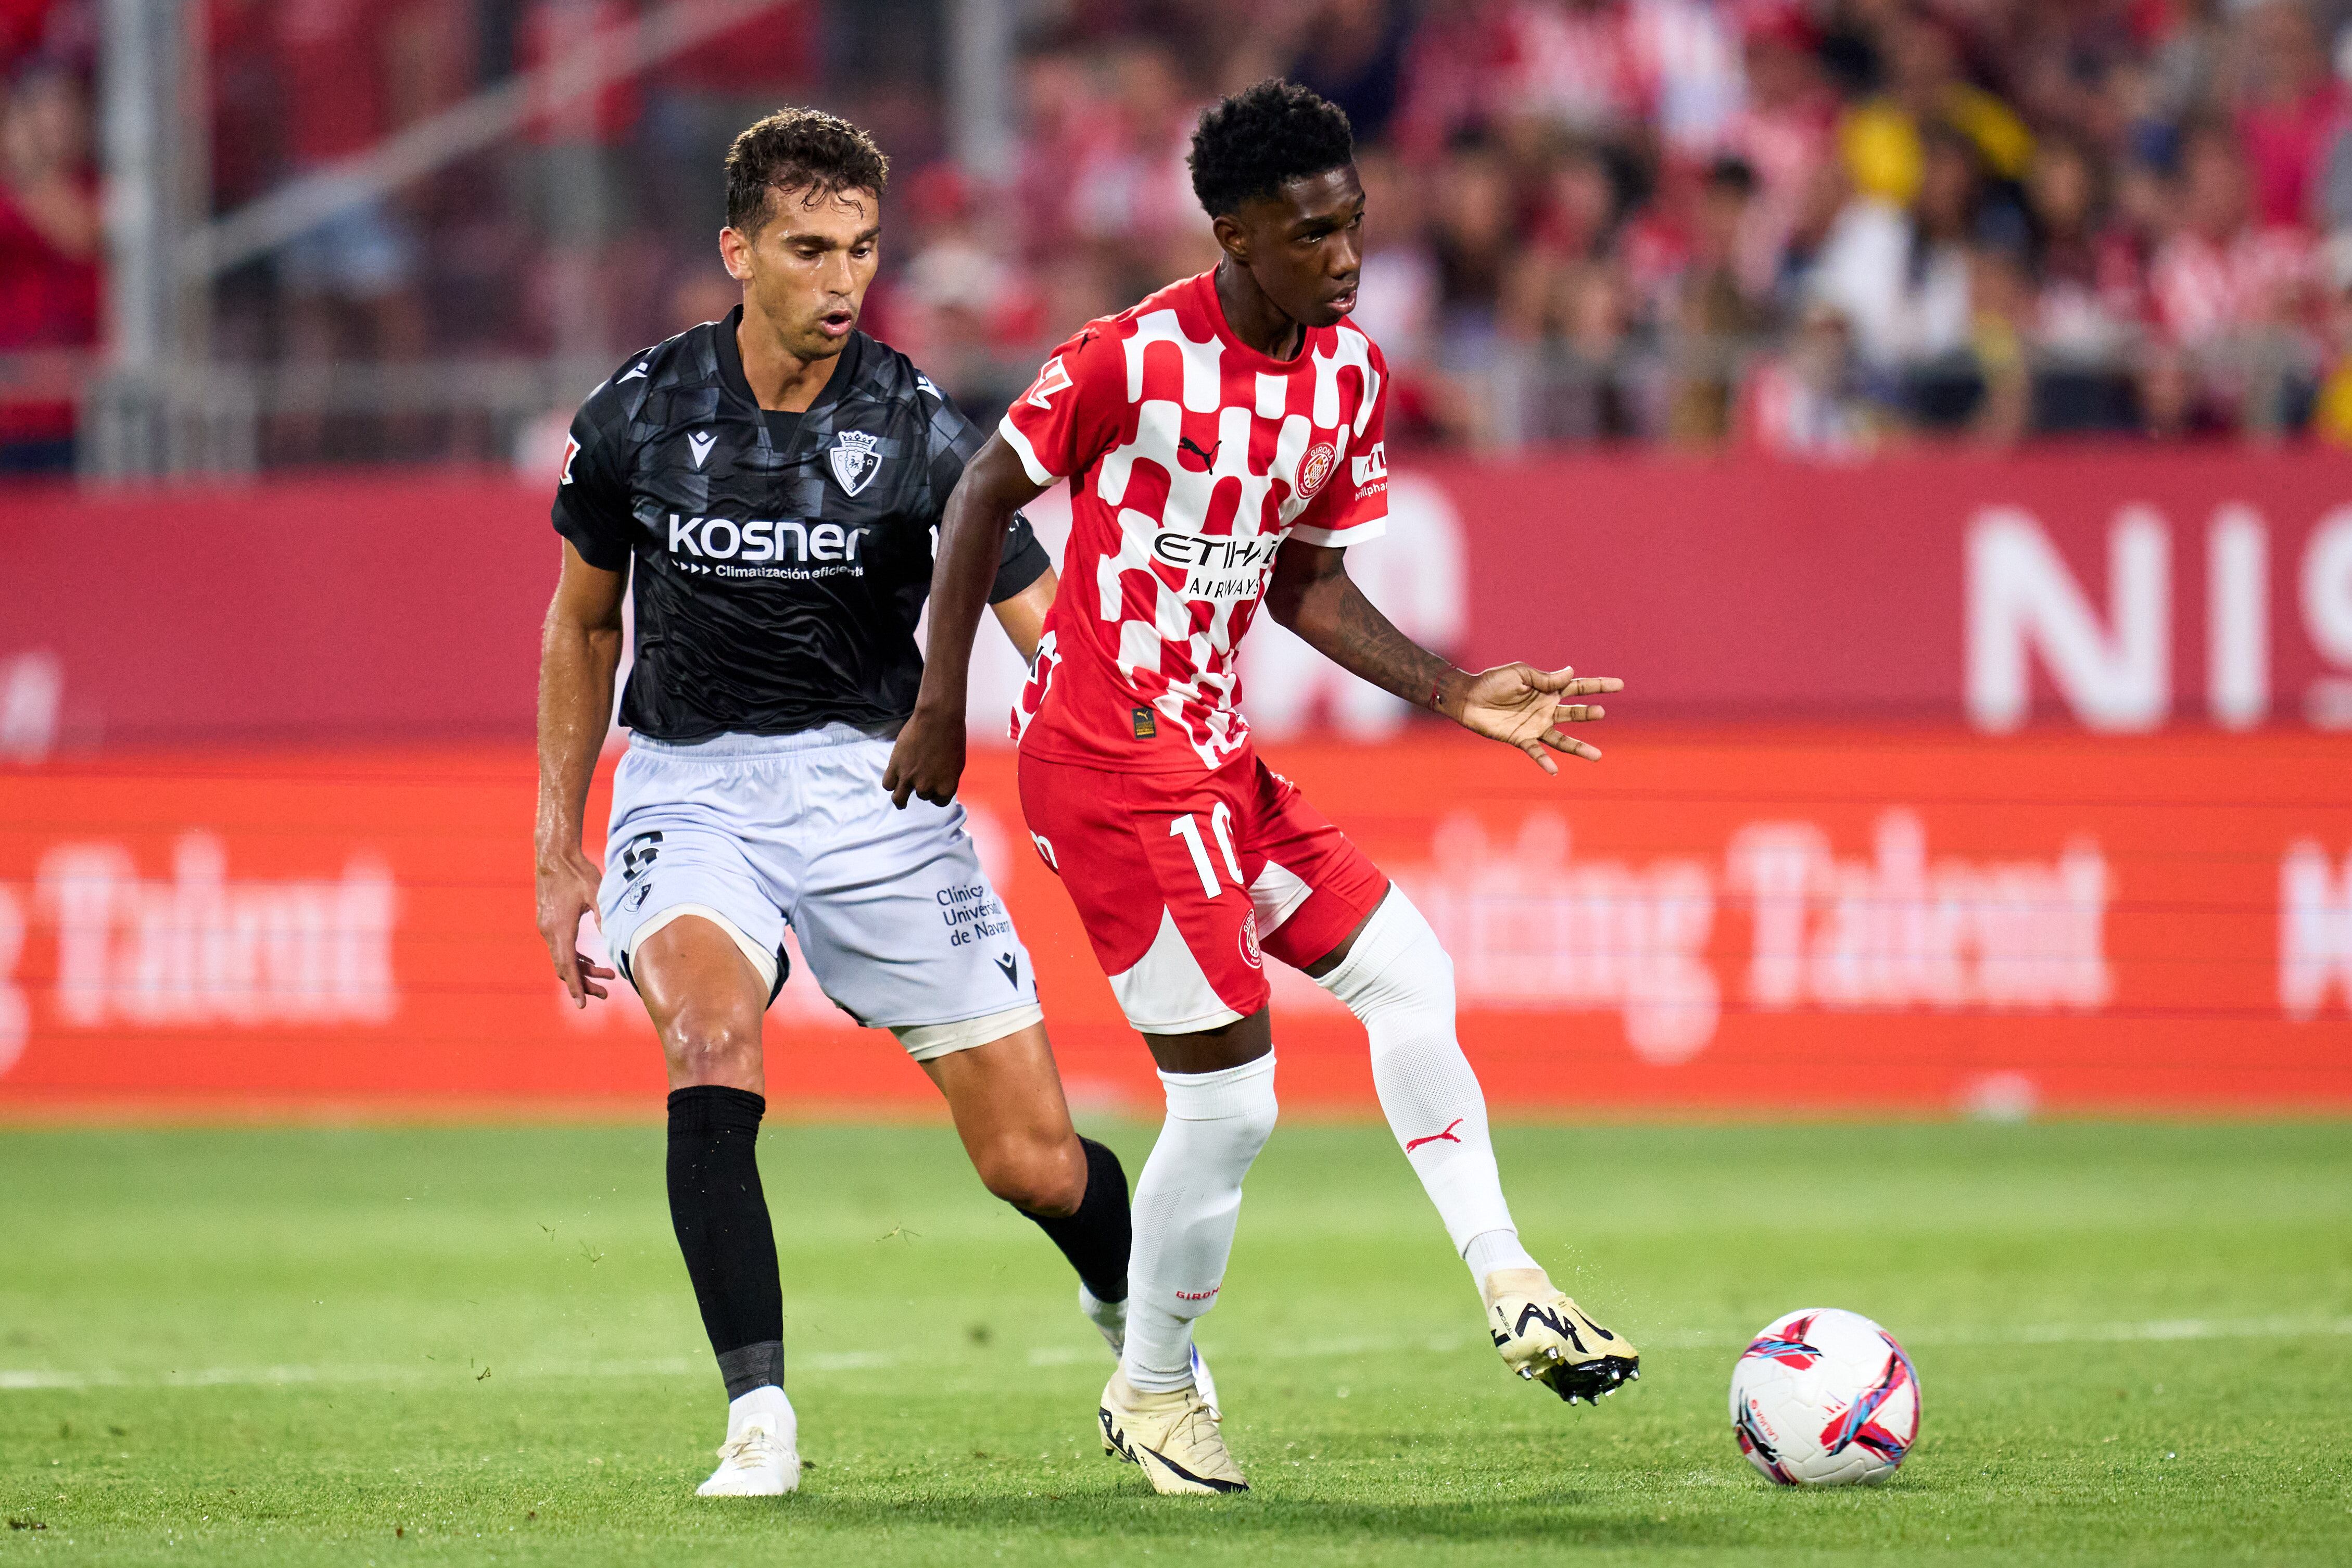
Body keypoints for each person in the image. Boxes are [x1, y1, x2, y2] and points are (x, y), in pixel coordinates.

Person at [887, 80, 1640, 1497]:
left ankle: (1514, 1279)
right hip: (1107, 762)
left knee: (1411, 975)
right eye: (1311, 235)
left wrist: (1457, 691)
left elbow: (1306, 581)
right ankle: (1158, 1390)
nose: (1345, 257)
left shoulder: (1349, 375)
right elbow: (982, 491)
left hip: (1215, 756)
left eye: (1354, 226)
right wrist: (944, 705)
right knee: (1231, 1108)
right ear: (1233, 232)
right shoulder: (1133, 357)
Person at [532, 108, 1161, 1500]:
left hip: (877, 790)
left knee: (1034, 1161)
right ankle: (759, 1417)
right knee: (708, 1039)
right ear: (737, 250)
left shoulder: (921, 423)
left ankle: (1139, 1320)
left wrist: (1126, 754)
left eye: (862, 250)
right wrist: (556, 846)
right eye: (810, 249)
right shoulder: (637, 413)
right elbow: (582, 627)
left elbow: (1039, 623)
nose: (840, 281)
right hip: (690, 786)